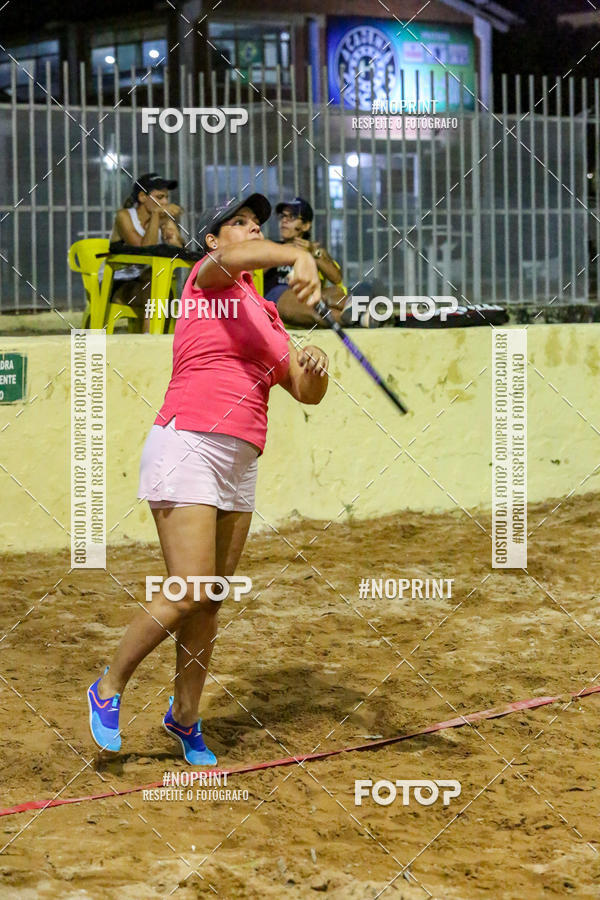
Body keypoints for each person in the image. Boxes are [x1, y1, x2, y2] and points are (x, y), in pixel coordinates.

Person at [88, 192, 329, 765]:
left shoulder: (266, 316)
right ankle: (109, 686)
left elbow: (305, 392)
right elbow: (243, 262)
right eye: (238, 223)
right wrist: (298, 255)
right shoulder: (209, 280)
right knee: (190, 588)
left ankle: (185, 717)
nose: (250, 229)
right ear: (215, 240)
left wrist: (315, 363)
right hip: (188, 443)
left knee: (210, 601)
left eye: (257, 223)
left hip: (239, 460)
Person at [109, 172, 184, 332]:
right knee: (157, 293)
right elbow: (143, 250)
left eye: (166, 198)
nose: (165, 202)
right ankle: (150, 342)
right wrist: (157, 215)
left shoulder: (162, 219)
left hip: (147, 282)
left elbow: (179, 251)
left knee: (166, 296)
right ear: (143, 197)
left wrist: (173, 234)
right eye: (159, 197)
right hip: (119, 284)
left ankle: (158, 342)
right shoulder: (124, 216)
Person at [262, 197, 348, 327]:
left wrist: (314, 253)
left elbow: (336, 278)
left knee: (335, 293)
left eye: (292, 217)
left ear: (306, 226)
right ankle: (356, 319)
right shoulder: (269, 246)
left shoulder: (314, 251)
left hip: (311, 297)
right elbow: (254, 270)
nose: (284, 220)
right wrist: (284, 251)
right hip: (277, 298)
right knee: (316, 309)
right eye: (283, 216)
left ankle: (367, 312)